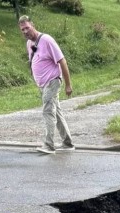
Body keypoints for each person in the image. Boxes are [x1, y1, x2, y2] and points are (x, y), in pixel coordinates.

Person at [18, 15, 75, 154]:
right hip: (43, 85)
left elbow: (62, 61)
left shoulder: (47, 40)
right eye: (22, 29)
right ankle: (68, 143)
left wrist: (68, 85)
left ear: (33, 25)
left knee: (48, 111)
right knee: (57, 112)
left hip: (53, 81)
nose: (25, 31)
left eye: (27, 27)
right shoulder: (29, 44)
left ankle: (49, 145)